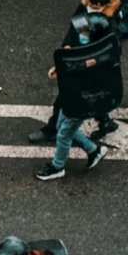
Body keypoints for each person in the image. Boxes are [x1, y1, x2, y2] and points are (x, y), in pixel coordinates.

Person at [28, 0, 121, 145]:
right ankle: (105, 122)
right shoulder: (86, 10)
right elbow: (73, 34)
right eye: (91, 5)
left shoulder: (108, 24)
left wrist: (93, 61)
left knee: (65, 99)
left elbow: (113, 49)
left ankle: (51, 130)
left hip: (92, 69)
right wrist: (66, 50)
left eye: (96, 7)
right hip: (82, 65)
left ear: (102, 5)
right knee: (91, 97)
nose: (92, 9)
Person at [35, 12, 114, 181]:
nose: (80, 35)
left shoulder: (96, 61)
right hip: (72, 95)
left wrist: (66, 65)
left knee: (64, 133)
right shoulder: (93, 51)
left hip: (83, 100)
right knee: (61, 126)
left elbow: (80, 69)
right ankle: (94, 150)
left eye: (85, 32)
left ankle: (57, 166)